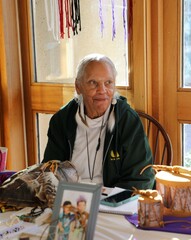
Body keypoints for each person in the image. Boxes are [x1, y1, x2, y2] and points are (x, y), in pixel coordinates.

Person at [42, 53, 154, 190]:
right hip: (71, 200)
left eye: (108, 83)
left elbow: (141, 177)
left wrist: (109, 203)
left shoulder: (127, 121)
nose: (102, 91)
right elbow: (50, 170)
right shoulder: (62, 121)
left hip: (112, 202)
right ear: (78, 86)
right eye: (93, 83)